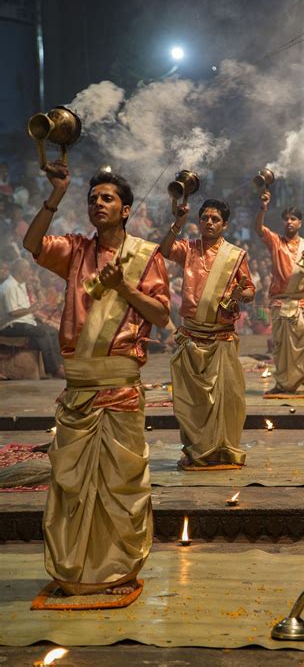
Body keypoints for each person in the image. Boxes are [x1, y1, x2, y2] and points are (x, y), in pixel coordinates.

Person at [23, 162, 170, 596]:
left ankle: (117, 571)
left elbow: (161, 316)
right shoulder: (74, 250)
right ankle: (76, 573)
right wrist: (57, 194)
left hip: (121, 388)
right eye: (92, 198)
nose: (97, 204)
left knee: (120, 484)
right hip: (79, 390)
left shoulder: (146, 256)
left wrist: (124, 287)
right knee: (71, 485)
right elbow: (32, 243)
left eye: (107, 198)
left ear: (125, 210)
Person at [159, 197, 255, 469]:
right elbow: (164, 249)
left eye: (215, 219)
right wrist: (178, 222)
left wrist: (240, 294)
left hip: (221, 339)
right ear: (198, 221)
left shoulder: (235, 255)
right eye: (205, 218)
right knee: (192, 403)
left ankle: (222, 450)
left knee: (228, 401)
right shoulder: (188, 249)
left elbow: (250, 290)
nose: (209, 223)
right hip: (191, 338)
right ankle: (196, 449)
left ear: (225, 225)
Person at [255, 191, 304, 394]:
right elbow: (258, 228)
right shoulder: (276, 242)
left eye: (293, 219)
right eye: (286, 219)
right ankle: (283, 383)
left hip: (303, 304)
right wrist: (263, 208)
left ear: (300, 223)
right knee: (282, 347)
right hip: (281, 303)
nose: (289, 222)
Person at [0, 257, 64, 377]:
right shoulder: (9, 287)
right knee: (43, 332)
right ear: (21, 271)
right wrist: (31, 309)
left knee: (52, 331)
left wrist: (36, 289)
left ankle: (59, 364)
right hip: (10, 325)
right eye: (28, 270)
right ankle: (54, 369)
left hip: (25, 321)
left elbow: (38, 304)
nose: (30, 272)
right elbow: (13, 313)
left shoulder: (21, 284)